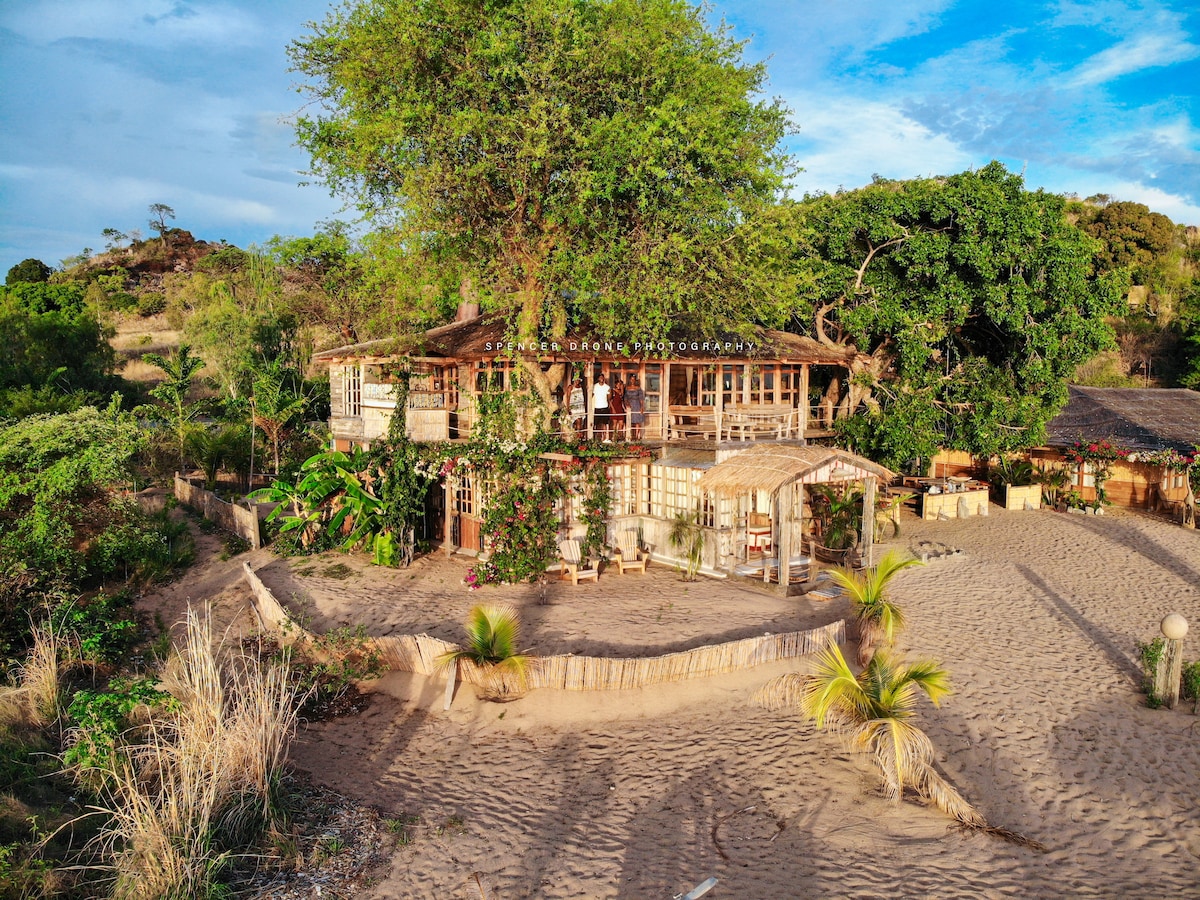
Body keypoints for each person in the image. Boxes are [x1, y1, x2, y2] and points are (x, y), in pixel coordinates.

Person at [625, 375, 646, 440]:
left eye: (634, 379)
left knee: (637, 421)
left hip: (637, 404)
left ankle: (637, 436)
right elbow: (625, 398)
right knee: (630, 421)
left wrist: (642, 407)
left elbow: (641, 398)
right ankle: (631, 435)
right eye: (631, 379)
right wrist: (627, 404)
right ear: (629, 380)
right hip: (629, 406)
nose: (632, 381)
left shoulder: (638, 388)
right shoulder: (627, 388)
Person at [592, 374, 611, 441]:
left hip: (604, 407)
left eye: (602, 377)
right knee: (595, 424)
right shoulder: (595, 386)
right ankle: (595, 438)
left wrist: (609, 405)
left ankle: (605, 438)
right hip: (596, 407)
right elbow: (592, 395)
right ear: (598, 379)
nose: (601, 379)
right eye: (600, 378)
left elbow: (609, 398)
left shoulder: (607, 387)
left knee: (605, 423)